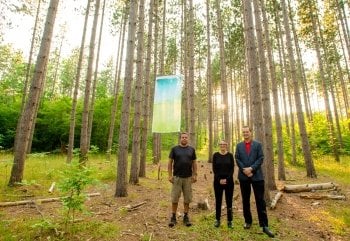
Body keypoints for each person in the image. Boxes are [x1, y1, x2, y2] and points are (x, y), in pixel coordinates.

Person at [234, 126, 275, 238]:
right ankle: (248, 221)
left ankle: (264, 225)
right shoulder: (239, 146)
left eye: (247, 132)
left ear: (250, 132)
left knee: (260, 200)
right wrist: (245, 170)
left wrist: (251, 169)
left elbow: (260, 158)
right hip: (244, 176)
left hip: (256, 176)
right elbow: (237, 158)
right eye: (244, 132)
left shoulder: (257, 145)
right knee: (245, 200)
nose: (245, 133)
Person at [168, 132, 197, 227]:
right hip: (177, 177)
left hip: (188, 178)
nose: (184, 139)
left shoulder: (191, 150)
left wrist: (195, 175)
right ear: (180, 138)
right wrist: (169, 175)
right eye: (182, 137)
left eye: (186, 137)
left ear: (188, 139)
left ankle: (186, 216)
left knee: (187, 198)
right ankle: (173, 217)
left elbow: (194, 163)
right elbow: (170, 163)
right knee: (175, 197)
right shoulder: (174, 149)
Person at [212, 140, 234, 228]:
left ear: (227, 145)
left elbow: (232, 169)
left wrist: (226, 179)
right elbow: (214, 169)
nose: (222, 146)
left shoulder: (230, 155)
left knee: (229, 201)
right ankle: (217, 220)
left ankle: (230, 221)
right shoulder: (215, 155)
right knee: (218, 201)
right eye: (221, 144)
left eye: (224, 144)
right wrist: (220, 179)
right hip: (217, 182)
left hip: (229, 182)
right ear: (219, 145)